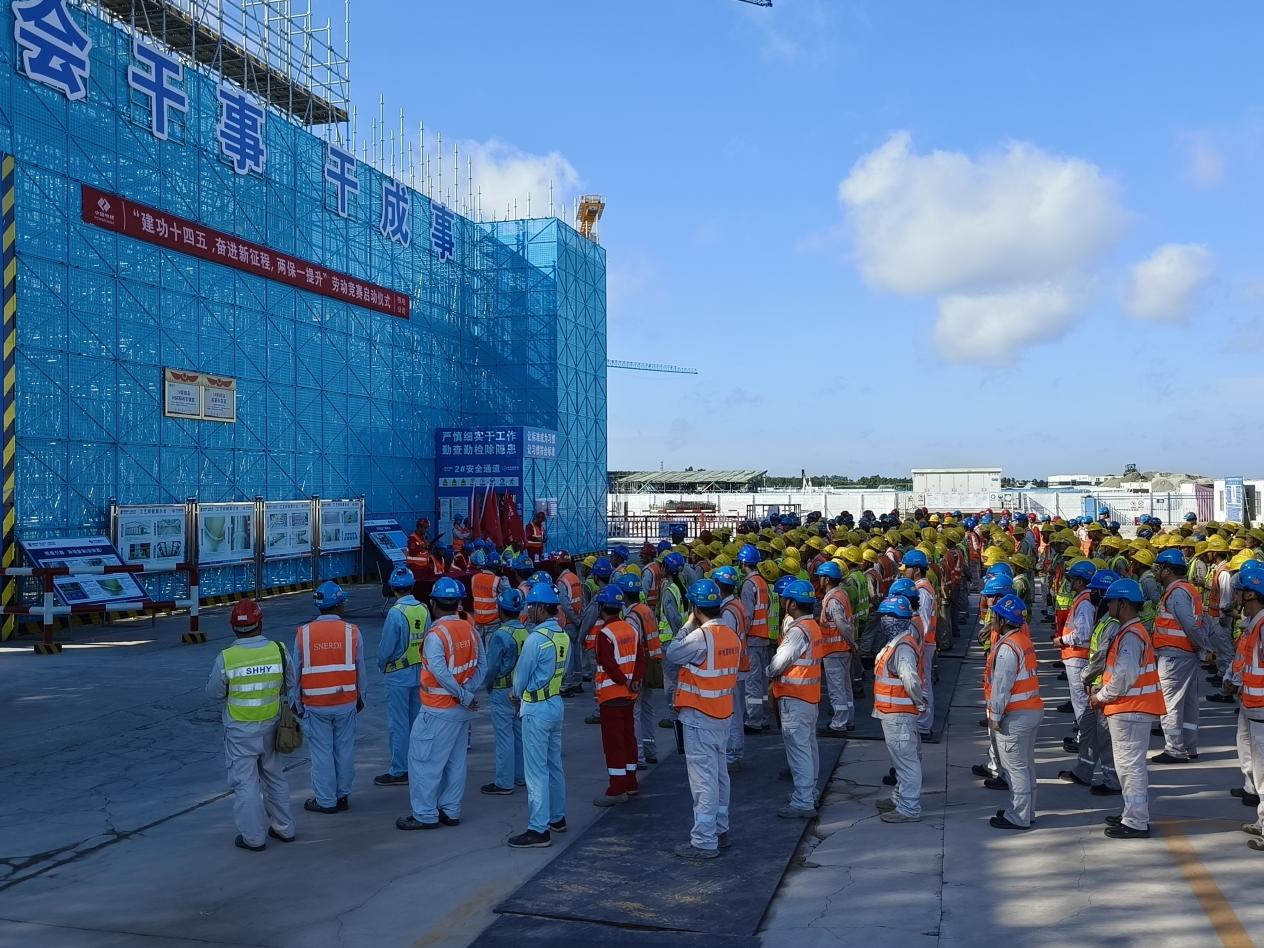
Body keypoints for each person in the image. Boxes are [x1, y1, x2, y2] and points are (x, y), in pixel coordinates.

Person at [205, 597, 297, 851]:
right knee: (274, 777)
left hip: (240, 731)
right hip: (272, 726)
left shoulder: (227, 657)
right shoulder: (278, 650)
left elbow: (213, 692)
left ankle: (254, 838)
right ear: (260, 623)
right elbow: (291, 682)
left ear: (233, 627)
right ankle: (285, 829)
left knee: (246, 783)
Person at [397, 577, 485, 831]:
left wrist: (463, 695)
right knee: (456, 763)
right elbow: (483, 665)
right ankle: (451, 810)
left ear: (433, 603)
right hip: (461, 712)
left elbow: (440, 672)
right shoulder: (470, 629)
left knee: (424, 762)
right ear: (458, 603)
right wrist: (468, 692)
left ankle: (425, 814)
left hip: (437, 709)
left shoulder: (436, 635)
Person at [666, 578, 741, 859]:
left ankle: (704, 841)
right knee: (719, 776)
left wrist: (687, 625)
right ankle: (720, 830)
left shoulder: (701, 637)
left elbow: (673, 653)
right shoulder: (730, 635)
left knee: (703, 782)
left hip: (700, 717)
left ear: (695, 608)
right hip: (722, 715)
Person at [1089, 579, 1166, 839]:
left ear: (1122, 604)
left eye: (1111, 601)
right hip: (1131, 709)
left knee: (1130, 767)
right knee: (1129, 767)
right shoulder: (1131, 632)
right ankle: (1131, 813)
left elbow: (1124, 676)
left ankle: (1136, 821)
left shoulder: (1131, 635)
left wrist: (1101, 696)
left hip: (1130, 709)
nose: (1107, 605)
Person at [508, 582, 570, 847]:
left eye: (532, 606)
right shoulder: (562, 635)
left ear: (542, 609)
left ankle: (538, 829)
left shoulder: (536, 639)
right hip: (554, 703)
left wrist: (515, 694)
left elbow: (521, 676)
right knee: (554, 764)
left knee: (535, 771)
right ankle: (557, 817)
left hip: (536, 708)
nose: (529, 610)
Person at [296, 582, 367, 814]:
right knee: (344, 750)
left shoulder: (304, 633)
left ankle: (326, 800)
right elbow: (360, 669)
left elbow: (296, 672)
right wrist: (361, 697)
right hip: (345, 701)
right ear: (339, 604)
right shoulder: (352, 631)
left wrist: (296, 702)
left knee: (322, 753)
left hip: (315, 704)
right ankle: (342, 795)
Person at [1062, 570, 1123, 796]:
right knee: (1088, 729)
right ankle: (1083, 771)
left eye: (1096, 591)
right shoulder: (1103, 617)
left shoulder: (1112, 623)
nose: (1092, 594)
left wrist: (1086, 676)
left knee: (1105, 736)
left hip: (1104, 686)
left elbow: (1101, 656)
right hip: (1095, 685)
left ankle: (1112, 780)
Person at [985, 593, 1042, 830]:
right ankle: (1027, 812)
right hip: (1030, 710)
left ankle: (1018, 815)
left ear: (1003, 620)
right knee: (1026, 765)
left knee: (1015, 768)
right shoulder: (1022, 640)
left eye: (995, 616)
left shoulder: (1008, 648)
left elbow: (1001, 686)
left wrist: (995, 716)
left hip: (1016, 714)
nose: (992, 619)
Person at [770, 579, 823, 818]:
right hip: (808, 697)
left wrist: (768, 672)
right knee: (808, 747)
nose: (783, 602)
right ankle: (809, 793)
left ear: (792, 604)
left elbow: (779, 663)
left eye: (785, 599)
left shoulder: (798, 631)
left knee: (799, 750)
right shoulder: (812, 627)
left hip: (795, 697)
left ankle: (803, 801)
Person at [872, 596, 927, 823]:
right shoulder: (897, 643)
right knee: (901, 761)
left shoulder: (902, 647)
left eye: (886, 617)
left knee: (906, 762)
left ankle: (909, 808)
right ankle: (900, 799)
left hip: (899, 714)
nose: (882, 621)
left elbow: (910, 679)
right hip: (893, 712)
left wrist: (919, 701)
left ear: (895, 620)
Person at [375, 566, 429, 787]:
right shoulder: (423, 609)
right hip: (419, 671)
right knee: (416, 722)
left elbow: (386, 648)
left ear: (392, 588)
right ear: (412, 586)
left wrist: (382, 664)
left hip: (397, 674)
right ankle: (417, 764)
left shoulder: (396, 613)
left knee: (398, 724)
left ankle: (400, 769)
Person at [1151, 548, 1205, 764]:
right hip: (1185, 654)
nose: (1156, 572)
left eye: (1159, 568)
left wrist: (1201, 645)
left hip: (1174, 656)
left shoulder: (1177, 593)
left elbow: (1189, 625)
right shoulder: (1188, 590)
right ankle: (1189, 746)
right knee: (1189, 703)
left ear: (1168, 570)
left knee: (1170, 703)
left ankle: (1174, 749)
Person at [592, 584, 644, 806]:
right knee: (628, 738)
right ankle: (631, 782)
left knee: (614, 744)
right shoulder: (630, 629)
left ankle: (617, 788)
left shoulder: (604, 634)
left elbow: (608, 664)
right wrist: (635, 681)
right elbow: (640, 658)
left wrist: (624, 680)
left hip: (611, 696)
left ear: (602, 607)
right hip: (629, 696)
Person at [1225, 563, 1264, 849]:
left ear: (1251, 594)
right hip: (1252, 704)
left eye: (1239, 592)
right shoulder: (1254, 624)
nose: (1236, 597)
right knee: (1258, 770)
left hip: (1261, 707)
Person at [481, 588, 528, 795]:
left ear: (500, 609)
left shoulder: (500, 635)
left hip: (502, 690)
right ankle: (521, 775)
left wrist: (486, 683)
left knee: (504, 737)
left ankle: (504, 782)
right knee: (519, 734)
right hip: (520, 689)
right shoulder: (525, 631)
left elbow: (491, 667)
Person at [1054, 560, 1097, 754]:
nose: (1069, 582)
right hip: (1077, 656)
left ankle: (1084, 739)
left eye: (1072, 579)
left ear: (1080, 582)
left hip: (1078, 656)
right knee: (1080, 700)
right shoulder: (1084, 599)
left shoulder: (1085, 602)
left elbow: (1083, 633)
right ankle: (1085, 735)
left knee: (1080, 701)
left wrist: (1062, 640)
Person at [714, 565, 749, 772]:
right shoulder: (736, 605)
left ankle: (733, 755)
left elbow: (726, 644)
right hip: (739, 667)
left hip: (733, 670)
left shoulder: (727, 612)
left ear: (719, 585)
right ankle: (734, 753)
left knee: (733, 714)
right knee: (736, 712)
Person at [816, 561, 855, 736]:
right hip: (842, 649)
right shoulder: (841, 595)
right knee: (845, 687)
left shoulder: (832, 600)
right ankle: (848, 719)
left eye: (821, 577)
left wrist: (851, 642)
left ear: (827, 579)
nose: (819, 580)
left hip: (834, 650)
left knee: (836, 688)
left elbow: (841, 624)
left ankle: (839, 723)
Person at [901, 549, 938, 736]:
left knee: (922, 684)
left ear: (916, 570)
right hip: (924, 644)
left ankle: (923, 724)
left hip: (922, 645)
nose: (904, 572)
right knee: (922, 682)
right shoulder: (924, 588)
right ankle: (923, 722)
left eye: (907, 568)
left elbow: (922, 624)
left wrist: (914, 646)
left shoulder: (921, 592)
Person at [738, 544, 773, 732]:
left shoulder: (748, 584)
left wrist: (741, 636)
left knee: (752, 681)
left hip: (752, 638)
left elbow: (747, 615)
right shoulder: (762, 582)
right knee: (762, 679)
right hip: (764, 636)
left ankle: (753, 720)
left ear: (743, 563)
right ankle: (763, 716)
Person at [656, 551, 688, 730]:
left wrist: (677, 639)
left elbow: (673, 617)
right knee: (679, 680)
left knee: (670, 682)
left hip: (671, 642)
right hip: (681, 639)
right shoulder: (680, 587)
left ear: (667, 568)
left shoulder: (669, 591)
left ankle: (674, 716)